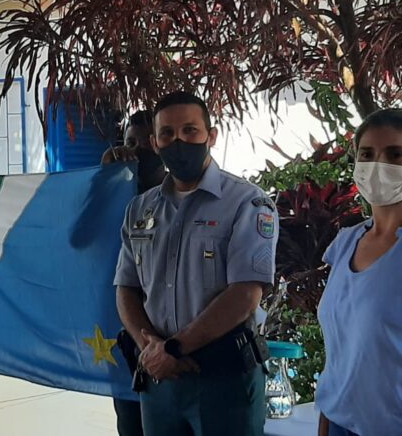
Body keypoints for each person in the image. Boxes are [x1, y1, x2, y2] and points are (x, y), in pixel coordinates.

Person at [114, 91, 277, 436]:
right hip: (160, 381)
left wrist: (174, 348)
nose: (179, 141)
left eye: (190, 131)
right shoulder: (140, 209)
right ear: (155, 143)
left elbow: (245, 294)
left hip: (224, 381)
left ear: (211, 136)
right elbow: (126, 287)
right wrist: (152, 349)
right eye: (167, 134)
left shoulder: (247, 202)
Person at [316, 109, 402, 436]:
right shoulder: (346, 243)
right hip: (339, 422)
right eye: (367, 154)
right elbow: (339, 354)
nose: (379, 165)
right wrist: (326, 421)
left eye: (395, 154)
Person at [102, 111, 166, 436]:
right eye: (129, 143)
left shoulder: (180, 198)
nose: (137, 151)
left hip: (173, 340)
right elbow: (78, 237)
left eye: (145, 143)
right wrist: (104, 179)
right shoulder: (117, 196)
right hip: (126, 335)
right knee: (130, 422)